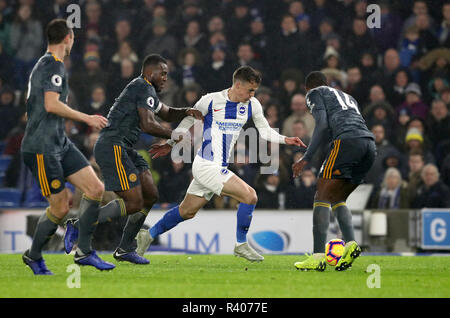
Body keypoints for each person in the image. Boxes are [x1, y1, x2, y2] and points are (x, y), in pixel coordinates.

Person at [139, 66, 305, 261]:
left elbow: (265, 131)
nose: (252, 95)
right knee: (250, 196)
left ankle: (147, 235)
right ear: (237, 84)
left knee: (187, 211)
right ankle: (241, 244)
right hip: (206, 164)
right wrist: (170, 143)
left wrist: (287, 139)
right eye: (250, 90)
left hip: (218, 167)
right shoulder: (210, 100)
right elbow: (186, 122)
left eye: (255, 91)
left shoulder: (253, 104)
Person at [63, 54, 203, 265]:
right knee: (134, 202)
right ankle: (79, 225)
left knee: (150, 195)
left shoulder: (148, 91)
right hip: (113, 146)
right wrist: (175, 135)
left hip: (125, 147)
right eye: (162, 73)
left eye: (167, 74)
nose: (165, 77)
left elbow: (165, 113)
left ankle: (125, 248)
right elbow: (147, 125)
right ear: (149, 72)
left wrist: (186, 111)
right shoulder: (142, 87)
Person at [20, 19, 113, 275]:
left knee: (95, 189)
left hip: (59, 142)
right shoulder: (52, 65)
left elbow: (39, 108)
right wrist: (87, 118)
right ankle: (34, 255)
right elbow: (51, 104)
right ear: (68, 38)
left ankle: (84, 252)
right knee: (60, 206)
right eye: (73, 37)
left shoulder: (47, 65)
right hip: (42, 147)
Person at [292, 71, 376, 271]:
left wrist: (306, 157)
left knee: (321, 195)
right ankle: (351, 244)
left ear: (307, 88)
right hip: (369, 146)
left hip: (347, 141)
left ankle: (318, 256)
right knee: (337, 198)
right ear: (327, 83)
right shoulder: (348, 97)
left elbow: (321, 125)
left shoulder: (314, 93)